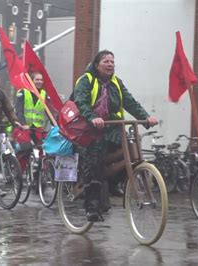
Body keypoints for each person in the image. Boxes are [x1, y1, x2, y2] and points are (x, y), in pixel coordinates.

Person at [73, 50, 158, 222]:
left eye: (112, 61)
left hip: (112, 128)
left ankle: (114, 183)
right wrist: (92, 117)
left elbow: (130, 102)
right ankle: (92, 206)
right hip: (91, 129)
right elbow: (80, 102)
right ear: (97, 65)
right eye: (106, 61)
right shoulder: (86, 81)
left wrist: (145, 118)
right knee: (95, 161)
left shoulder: (116, 83)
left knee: (131, 148)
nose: (110, 64)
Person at [15, 72, 50, 171]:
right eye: (37, 79)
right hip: (23, 127)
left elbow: (50, 111)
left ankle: (39, 174)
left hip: (37, 128)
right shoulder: (23, 92)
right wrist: (23, 124)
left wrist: (56, 124)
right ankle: (18, 171)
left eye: (41, 80)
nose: (39, 82)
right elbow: (19, 110)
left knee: (44, 148)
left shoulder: (44, 94)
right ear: (32, 81)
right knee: (26, 148)